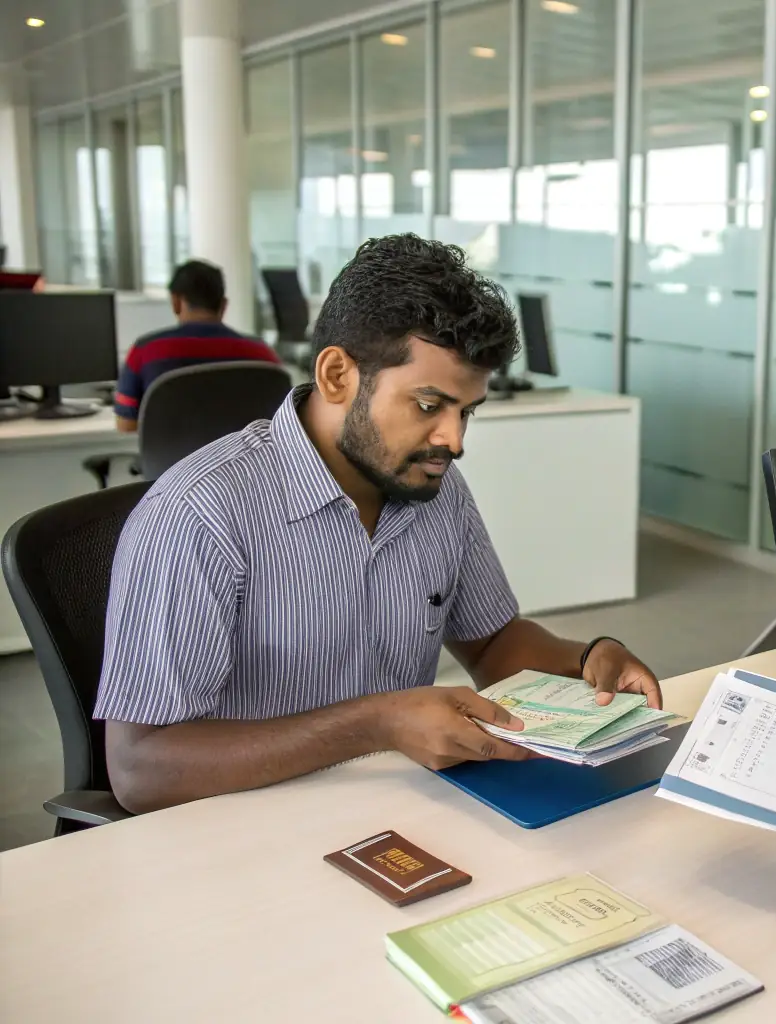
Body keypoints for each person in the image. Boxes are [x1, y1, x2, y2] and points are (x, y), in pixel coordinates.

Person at [95, 234, 662, 814]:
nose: (455, 440)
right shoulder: (201, 513)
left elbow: (492, 642)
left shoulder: (434, 489)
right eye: (428, 404)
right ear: (338, 375)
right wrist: (376, 724)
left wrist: (587, 655)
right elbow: (143, 769)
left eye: (465, 411)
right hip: (244, 827)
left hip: (403, 806)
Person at [113, 259, 279, 432]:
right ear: (223, 305)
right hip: (248, 459)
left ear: (176, 302)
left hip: (170, 459)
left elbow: (126, 425)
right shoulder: (263, 355)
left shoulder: (146, 351)